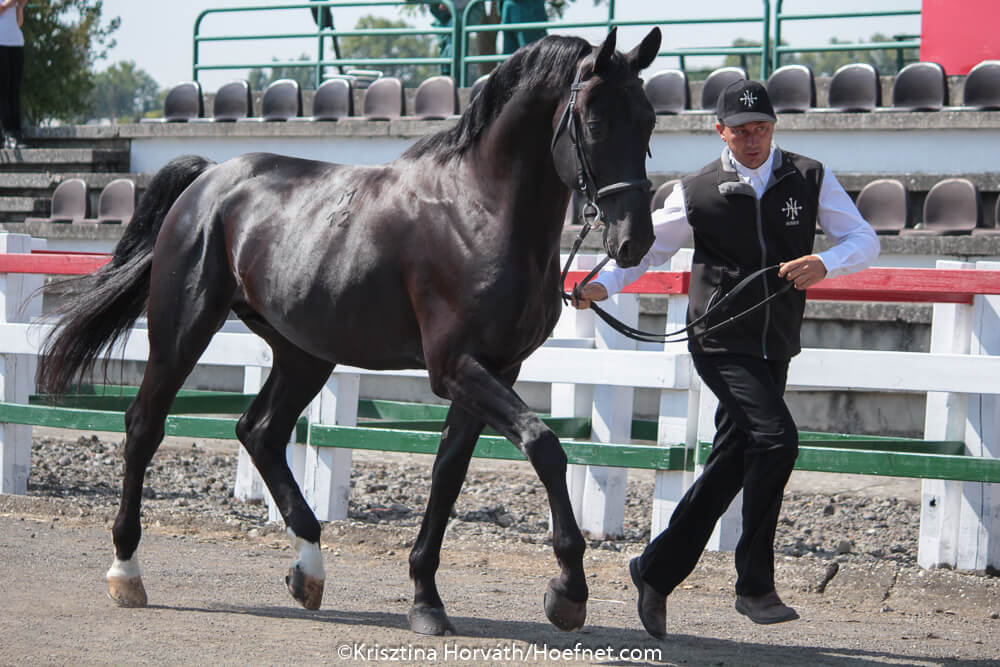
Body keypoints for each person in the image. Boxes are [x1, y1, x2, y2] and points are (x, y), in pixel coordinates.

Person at [573, 80, 880, 637]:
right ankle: (755, 585)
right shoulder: (695, 191)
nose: (753, 138)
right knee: (777, 440)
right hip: (718, 340)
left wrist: (826, 263)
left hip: (776, 340)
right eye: (741, 131)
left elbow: (864, 239)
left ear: (773, 127)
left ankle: (655, 570)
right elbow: (648, 249)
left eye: (762, 128)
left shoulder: (809, 176)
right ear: (721, 132)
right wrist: (604, 284)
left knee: (733, 460)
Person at [0, 0, 26, 149]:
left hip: (16, 42)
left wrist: (20, 6)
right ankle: (7, 133)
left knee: (14, 91)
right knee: (3, 90)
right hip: (1, 43)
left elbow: (18, 23)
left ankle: (17, 132)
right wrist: (7, 4)